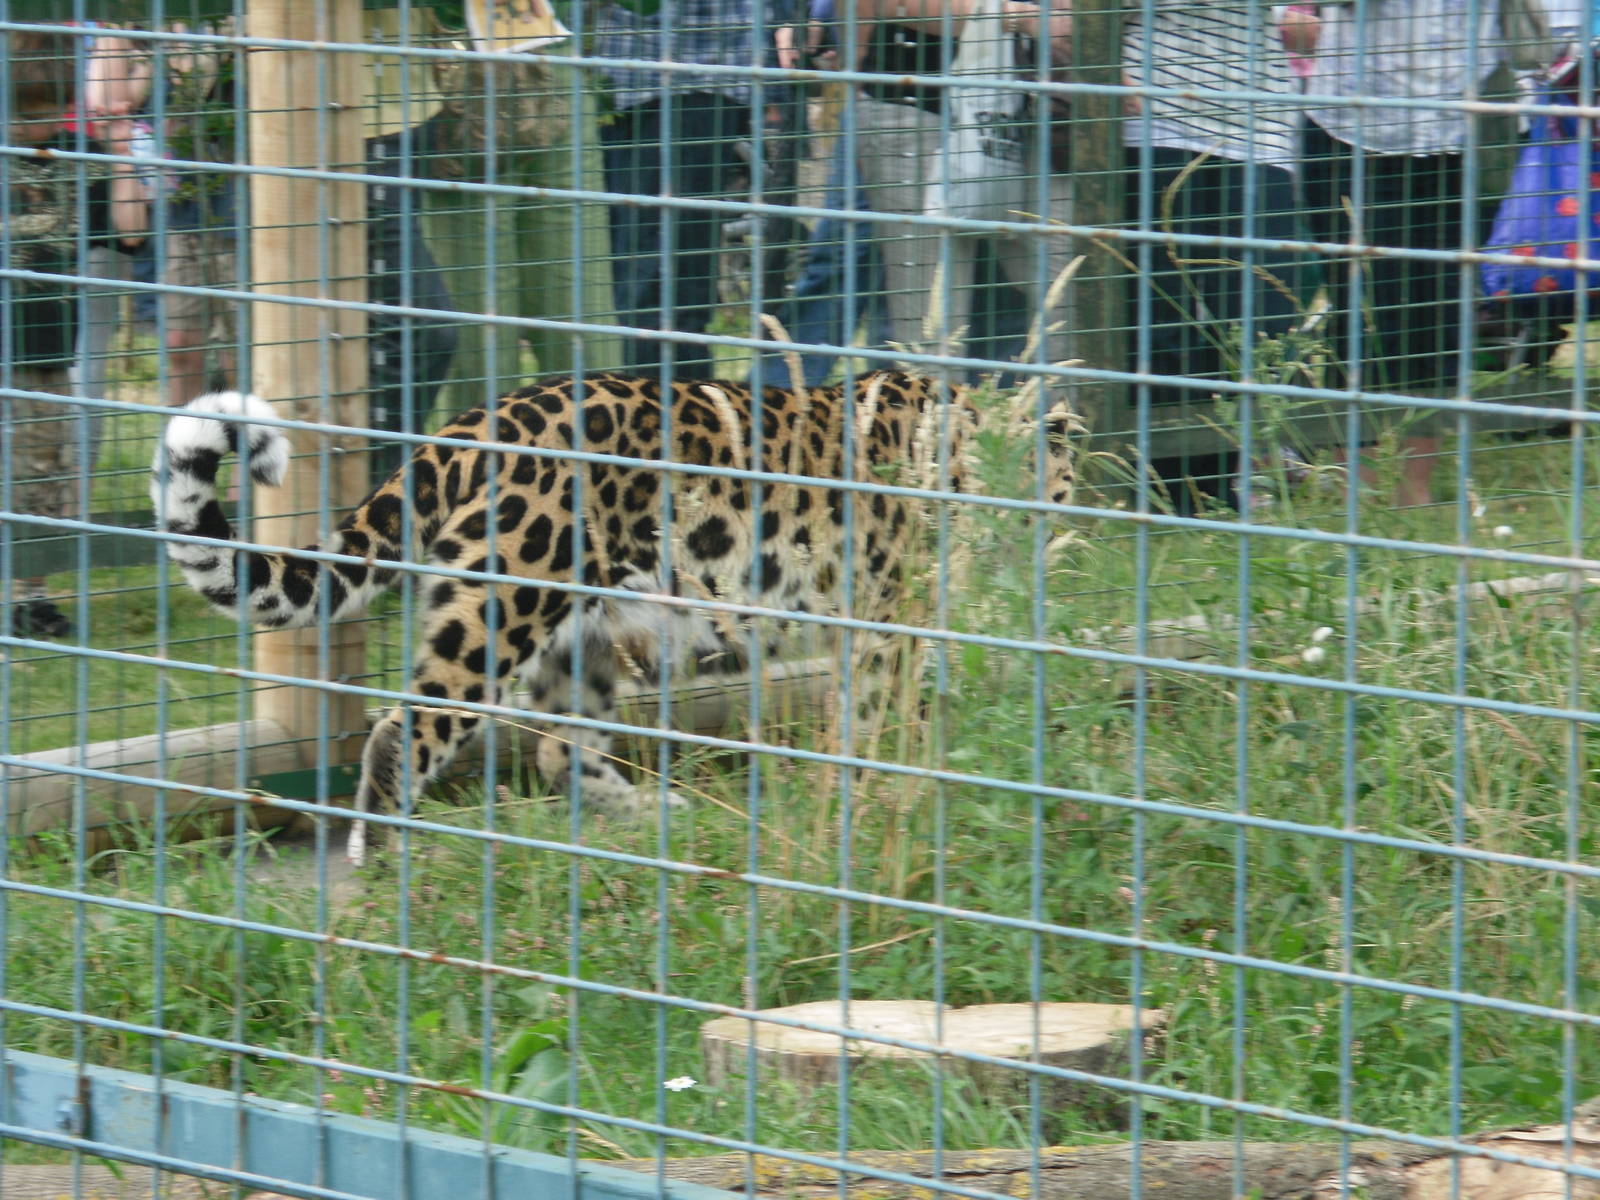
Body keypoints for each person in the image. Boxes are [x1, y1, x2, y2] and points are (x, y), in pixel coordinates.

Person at [1300, 0, 1554, 507]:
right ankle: (1359, 483)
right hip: (1353, 128)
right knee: (1364, 309)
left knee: (1438, 317)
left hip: (1462, 132)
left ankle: (1413, 490)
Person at [765, 0, 1073, 392]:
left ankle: (1038, 435)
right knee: (920, 313)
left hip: (1027, 117)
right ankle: (924, 440)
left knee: (1046, 301)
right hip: (913, 102)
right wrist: (1023, 17)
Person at [1119, 2, 1311, 512]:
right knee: (1163, 318)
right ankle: (1172, 495)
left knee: (1265, 314)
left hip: (1257, 120)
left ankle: (1235, 477)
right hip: (1151, 114)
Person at [3, 30, 149, 637]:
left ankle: (28, 594)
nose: (33, 125)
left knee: (43, 475)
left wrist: (118, 154)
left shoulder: (73, 156)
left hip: (44, 354)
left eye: (44, 111)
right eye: (21, 112)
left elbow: (131, 233)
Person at [589, 0, 805, 380]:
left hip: (689, 76)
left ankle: (672, 415)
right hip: (630, 79)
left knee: (664, 276)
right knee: (648, 273)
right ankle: (661, 412)